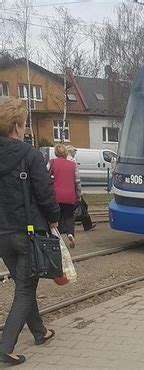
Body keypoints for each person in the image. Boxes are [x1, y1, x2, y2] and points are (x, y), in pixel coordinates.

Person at [0, 97, 59, 365]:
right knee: (25, 288)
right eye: (24, 124)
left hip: (1, 235)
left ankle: (40, 332)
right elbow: (45, 194)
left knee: (25, 283)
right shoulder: (30, 155)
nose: (25, 129)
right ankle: (6, 347)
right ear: (15, 126)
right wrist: (54, 218)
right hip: (27, 232)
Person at [49, 143, 81, 248]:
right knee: (69, 216)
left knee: (56, 217)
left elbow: (44, 176)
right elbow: (77, 181)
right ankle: (70, 234)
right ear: (66, 152)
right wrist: (78, 194)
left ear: (56, 153)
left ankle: (57, 239)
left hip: (56, 195)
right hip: (69, 195)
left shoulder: (51, 163)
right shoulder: (73, 165)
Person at [66, 145, 96, 231]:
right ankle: (85, 225)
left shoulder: (63, 159)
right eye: (74, 152)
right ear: (71, 152)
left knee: (80, 206)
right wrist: (78, 192)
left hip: (66, 188)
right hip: (73, 189)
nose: (75, 153)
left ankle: (86, 224)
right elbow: (77, 179)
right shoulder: (72, 160)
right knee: (81, 206)